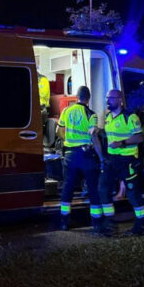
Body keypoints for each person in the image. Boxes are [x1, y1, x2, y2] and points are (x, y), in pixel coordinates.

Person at [97, 89, 144, 236]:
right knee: (103, 188)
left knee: (132, 193)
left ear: (120, 100)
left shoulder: (130, 117)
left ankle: (141, 225)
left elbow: (139, 138)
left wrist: (122, 143)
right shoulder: (108, 117)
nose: (107, 101)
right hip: (112, 160)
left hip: (128, 159)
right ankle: (110, 224)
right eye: (107, 98)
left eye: (111, 98)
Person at [56, 86, 102, 231]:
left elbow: (58, 131)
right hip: (86, 155)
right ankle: (96, 223)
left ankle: (64, 222)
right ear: (88, 98)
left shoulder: (66, 111)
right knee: (93, 189)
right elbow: (94, 136)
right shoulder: (91, 114)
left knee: (67, 188)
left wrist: (66, 141)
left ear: (76, 96)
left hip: (70, 155)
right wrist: (101, 157)